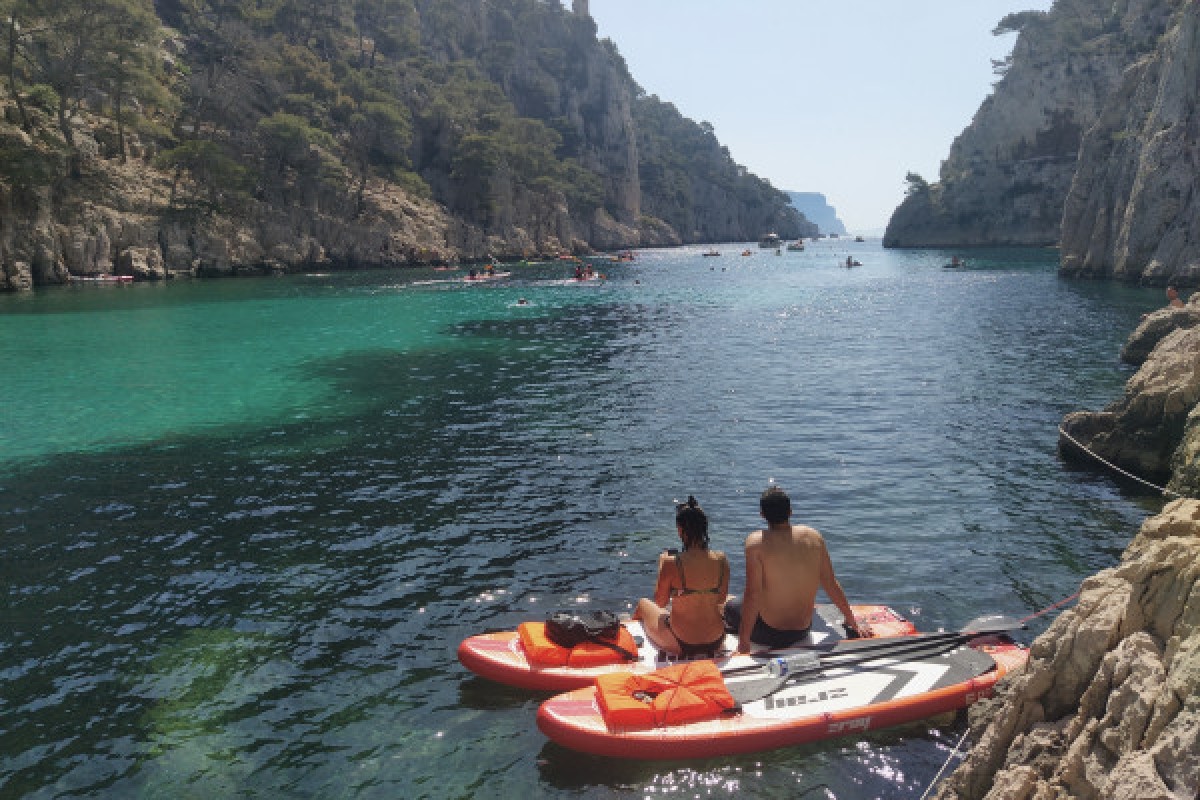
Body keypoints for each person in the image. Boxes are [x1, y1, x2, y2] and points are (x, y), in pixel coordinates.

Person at [724, 486, 865, 653]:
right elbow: (830, 583)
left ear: (762, 514)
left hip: (770, 633)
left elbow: (753, 594)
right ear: (790, 511)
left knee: (731, 607)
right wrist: (851, 620)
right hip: (802, 630)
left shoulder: (755, 543)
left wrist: (744, 642)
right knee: (743, 601)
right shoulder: (814, 536)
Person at [634, 496, 731, 658]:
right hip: (717, 640)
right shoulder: (722, 559)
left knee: (643, 604)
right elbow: (721, 599)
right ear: (704, 528)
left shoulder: (671, 562)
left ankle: (633, 638)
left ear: (680, 530)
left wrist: (661, 565)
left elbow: (661, 602)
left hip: (681, 642)